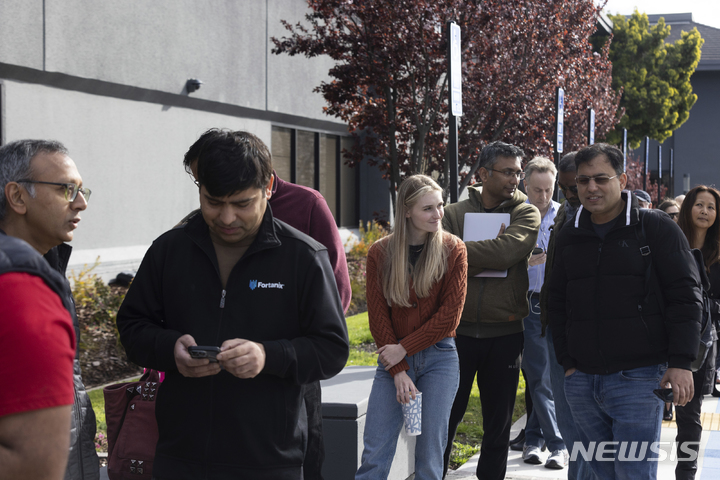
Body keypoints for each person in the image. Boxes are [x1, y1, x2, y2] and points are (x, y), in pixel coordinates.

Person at [116, 130, 349, 480]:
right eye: (213, 202)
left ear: (268, 187)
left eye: (242, 203)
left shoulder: (303, 256)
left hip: (269, 460)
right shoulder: (169, 250)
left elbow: (331, 349)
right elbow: (133, 326)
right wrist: (170, 349)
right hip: (180, 457)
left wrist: (268, 356)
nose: (226, 218)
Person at [548, 143, 703, 480]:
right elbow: (556, 299)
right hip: (581, 381)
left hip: (639, 378)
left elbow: (686, 297)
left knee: (634, 473)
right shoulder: (569, 233)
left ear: (622, 179)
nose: (591, 188)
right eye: (583, 181)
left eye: (601, 179)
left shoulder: (656, 227)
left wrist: (680, 362)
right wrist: (568, 363)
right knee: (604, 474)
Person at [355, 174, 467, 480]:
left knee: (430, 453)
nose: (438, 214)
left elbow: (450, 317)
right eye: (428, 208)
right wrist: (398, 369)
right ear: (407, 211)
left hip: (440, 359)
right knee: (375, 451)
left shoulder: (453, 249)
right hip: (393, 362)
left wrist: (403, 349)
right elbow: (378, 317)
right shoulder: (381, 252)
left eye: (440, 205)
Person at [0, 139, 98, 480]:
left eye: (83, 191)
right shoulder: (13, 281)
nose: (81, 204)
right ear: (17, 197)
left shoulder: (48, 266)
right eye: (66, 189)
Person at [442, 141, 541, 480]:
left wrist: (460, 251)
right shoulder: (453, 213)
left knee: (497, 426)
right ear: (483, 173)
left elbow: (505, 253)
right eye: (508, 172)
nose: (516, 179)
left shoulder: (525, 212)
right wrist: (488, 249)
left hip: (506, 333)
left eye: (518, 172)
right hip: (456, 332)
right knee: (445, 420)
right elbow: (438, 259)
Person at [539, 151, 595, 480]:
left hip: (590, 334)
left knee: (587, 426)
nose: (571, 196)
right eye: (566, 190)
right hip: (557, 328)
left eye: (575, 188)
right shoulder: (566, 215)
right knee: (569, 422)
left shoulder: (604, 218)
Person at [518, 157, 567, 469]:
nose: (543, 196)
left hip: (559, 303)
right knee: (539, 376)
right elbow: (495, 261)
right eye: (537, 189)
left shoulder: (563, 215)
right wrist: (526, 262)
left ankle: (534, 440)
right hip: (528, 302)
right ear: (526, 185)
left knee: (549, 376)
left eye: (548, 189)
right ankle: (558, 444)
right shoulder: (514, 215)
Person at [674, 185, 720, 480]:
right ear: (688, 208)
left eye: (711, 207)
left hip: (703, 341)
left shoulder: (719, 253)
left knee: (690, 413)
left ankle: (686, 474)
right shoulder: (670, 243)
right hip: (663, 335)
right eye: (699, 205)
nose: (705, 211)